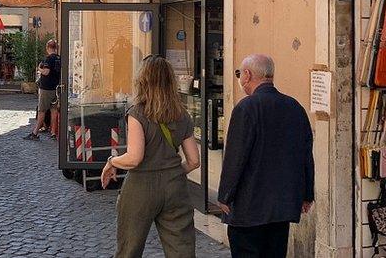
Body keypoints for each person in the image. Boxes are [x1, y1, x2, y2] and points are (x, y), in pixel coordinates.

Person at [100, 56, 201, 258]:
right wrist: (171, 172)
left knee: (129, 249)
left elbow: (135, 158)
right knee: (181, 251)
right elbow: (194, 161)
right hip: (175, 187)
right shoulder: (182, 114)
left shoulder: (138, 113)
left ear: (143, 81)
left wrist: (112, 162)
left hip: (141, 186)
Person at [217, 54, 314, 258]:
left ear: (247, 74)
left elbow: (235, 158)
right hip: (282, 206)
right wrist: (306, 194)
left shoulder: (246, 108)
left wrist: (225, 195)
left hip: (249, 206)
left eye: (239, 74)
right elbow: (305, 154)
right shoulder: (295, 107)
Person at [23, 39, 61, 141]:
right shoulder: (59, 58)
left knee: (42, 111)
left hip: (46, 88)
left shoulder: (48, 59)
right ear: (56, 48)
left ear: (47, 48)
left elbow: (46, 72)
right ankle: (53, 132)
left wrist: (39, 69)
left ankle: (35, 133)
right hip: (56, 88)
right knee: (53, 111)